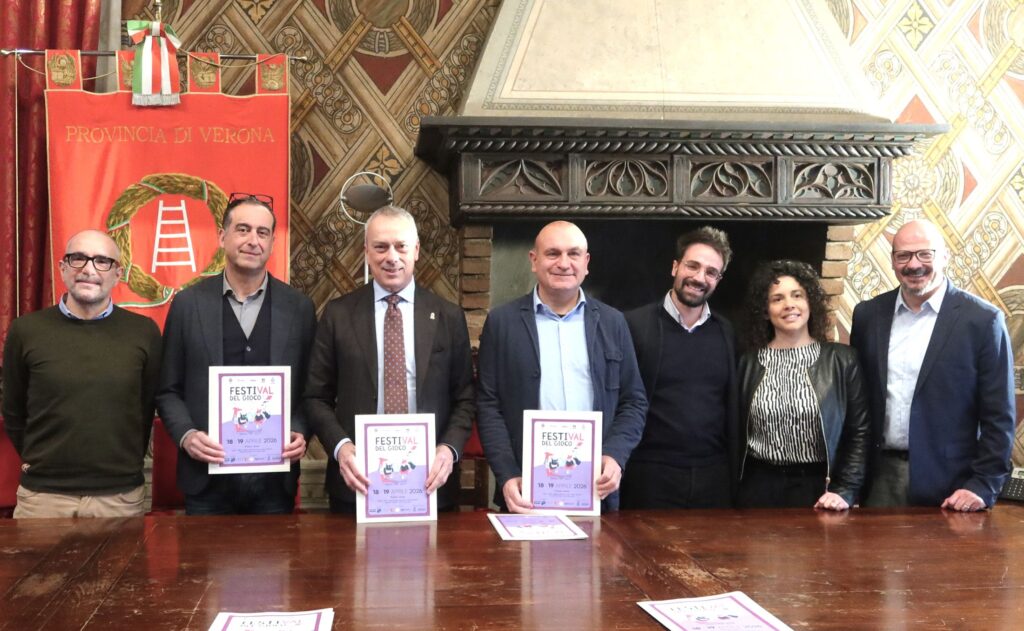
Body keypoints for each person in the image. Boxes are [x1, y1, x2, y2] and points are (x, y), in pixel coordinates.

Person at [304, 205, 474, 513]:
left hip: (430, 483)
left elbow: (465, 398)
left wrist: (448, 449)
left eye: (401, 246)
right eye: (381, 247)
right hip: (357, 483)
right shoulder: (338, 315)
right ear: (366, 251)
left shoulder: (448, 316)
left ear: (416, 250)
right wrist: (341, 448)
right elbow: (316, 397)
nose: (391, 257)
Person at [156, 193, 316, 515]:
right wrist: (187, 436)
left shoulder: (299, 308)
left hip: (274, 484)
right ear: (222, 237)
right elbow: (167, 389)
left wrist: (300, 429)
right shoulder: (187, 304)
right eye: (243, 229)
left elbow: (312, 390)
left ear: (272, 243)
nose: (253, 240)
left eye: (262, 232)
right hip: (205, 483)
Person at [477, 220, 647, 513]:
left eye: (574, 254)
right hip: (524, 493)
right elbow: (488, 405)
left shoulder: (613, 323)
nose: (564, 263)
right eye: (553, 253)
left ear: (586, 262)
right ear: (534, 260)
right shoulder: (501, 323)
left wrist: (615, 455)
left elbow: (634, 402)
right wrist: (506, 473)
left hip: (595, 492)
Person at [850, 219, 1015, 510]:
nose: (914, 264)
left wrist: (983, 485)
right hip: (878, 480)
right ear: (892, 260)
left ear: (945, 256)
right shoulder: (867, 316)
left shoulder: (983, 321)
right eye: (904, 255)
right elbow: (857, 403)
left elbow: (999, 416)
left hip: (952, 486)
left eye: (925, 254)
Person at [2, 230, 161, 518]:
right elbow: (13, 410)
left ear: (118, 274)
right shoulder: (25, 330)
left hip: (119, 498)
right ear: (63, 268)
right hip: (43, 498)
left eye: (102, 261)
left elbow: (146, 407)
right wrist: (42, 461)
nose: (89, 269)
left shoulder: (144, 332)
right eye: (78, 259)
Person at [621, 226, 739, 509]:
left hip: (714, 478)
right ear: (675, 267)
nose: (699, 278)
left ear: (718, 280)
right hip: (649, 476)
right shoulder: (632, 325)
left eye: (711, 272)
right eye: (692, 266)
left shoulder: (727, 332)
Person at [737, 260, 869, 510]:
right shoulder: (747, 363)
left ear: (811, 302)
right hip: (757, 487)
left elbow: (859, 432)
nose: (789, 304)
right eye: (777, 299)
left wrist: (846, 490)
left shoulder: (842, 360)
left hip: (819, 489)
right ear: (765, 310)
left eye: (797, 295)